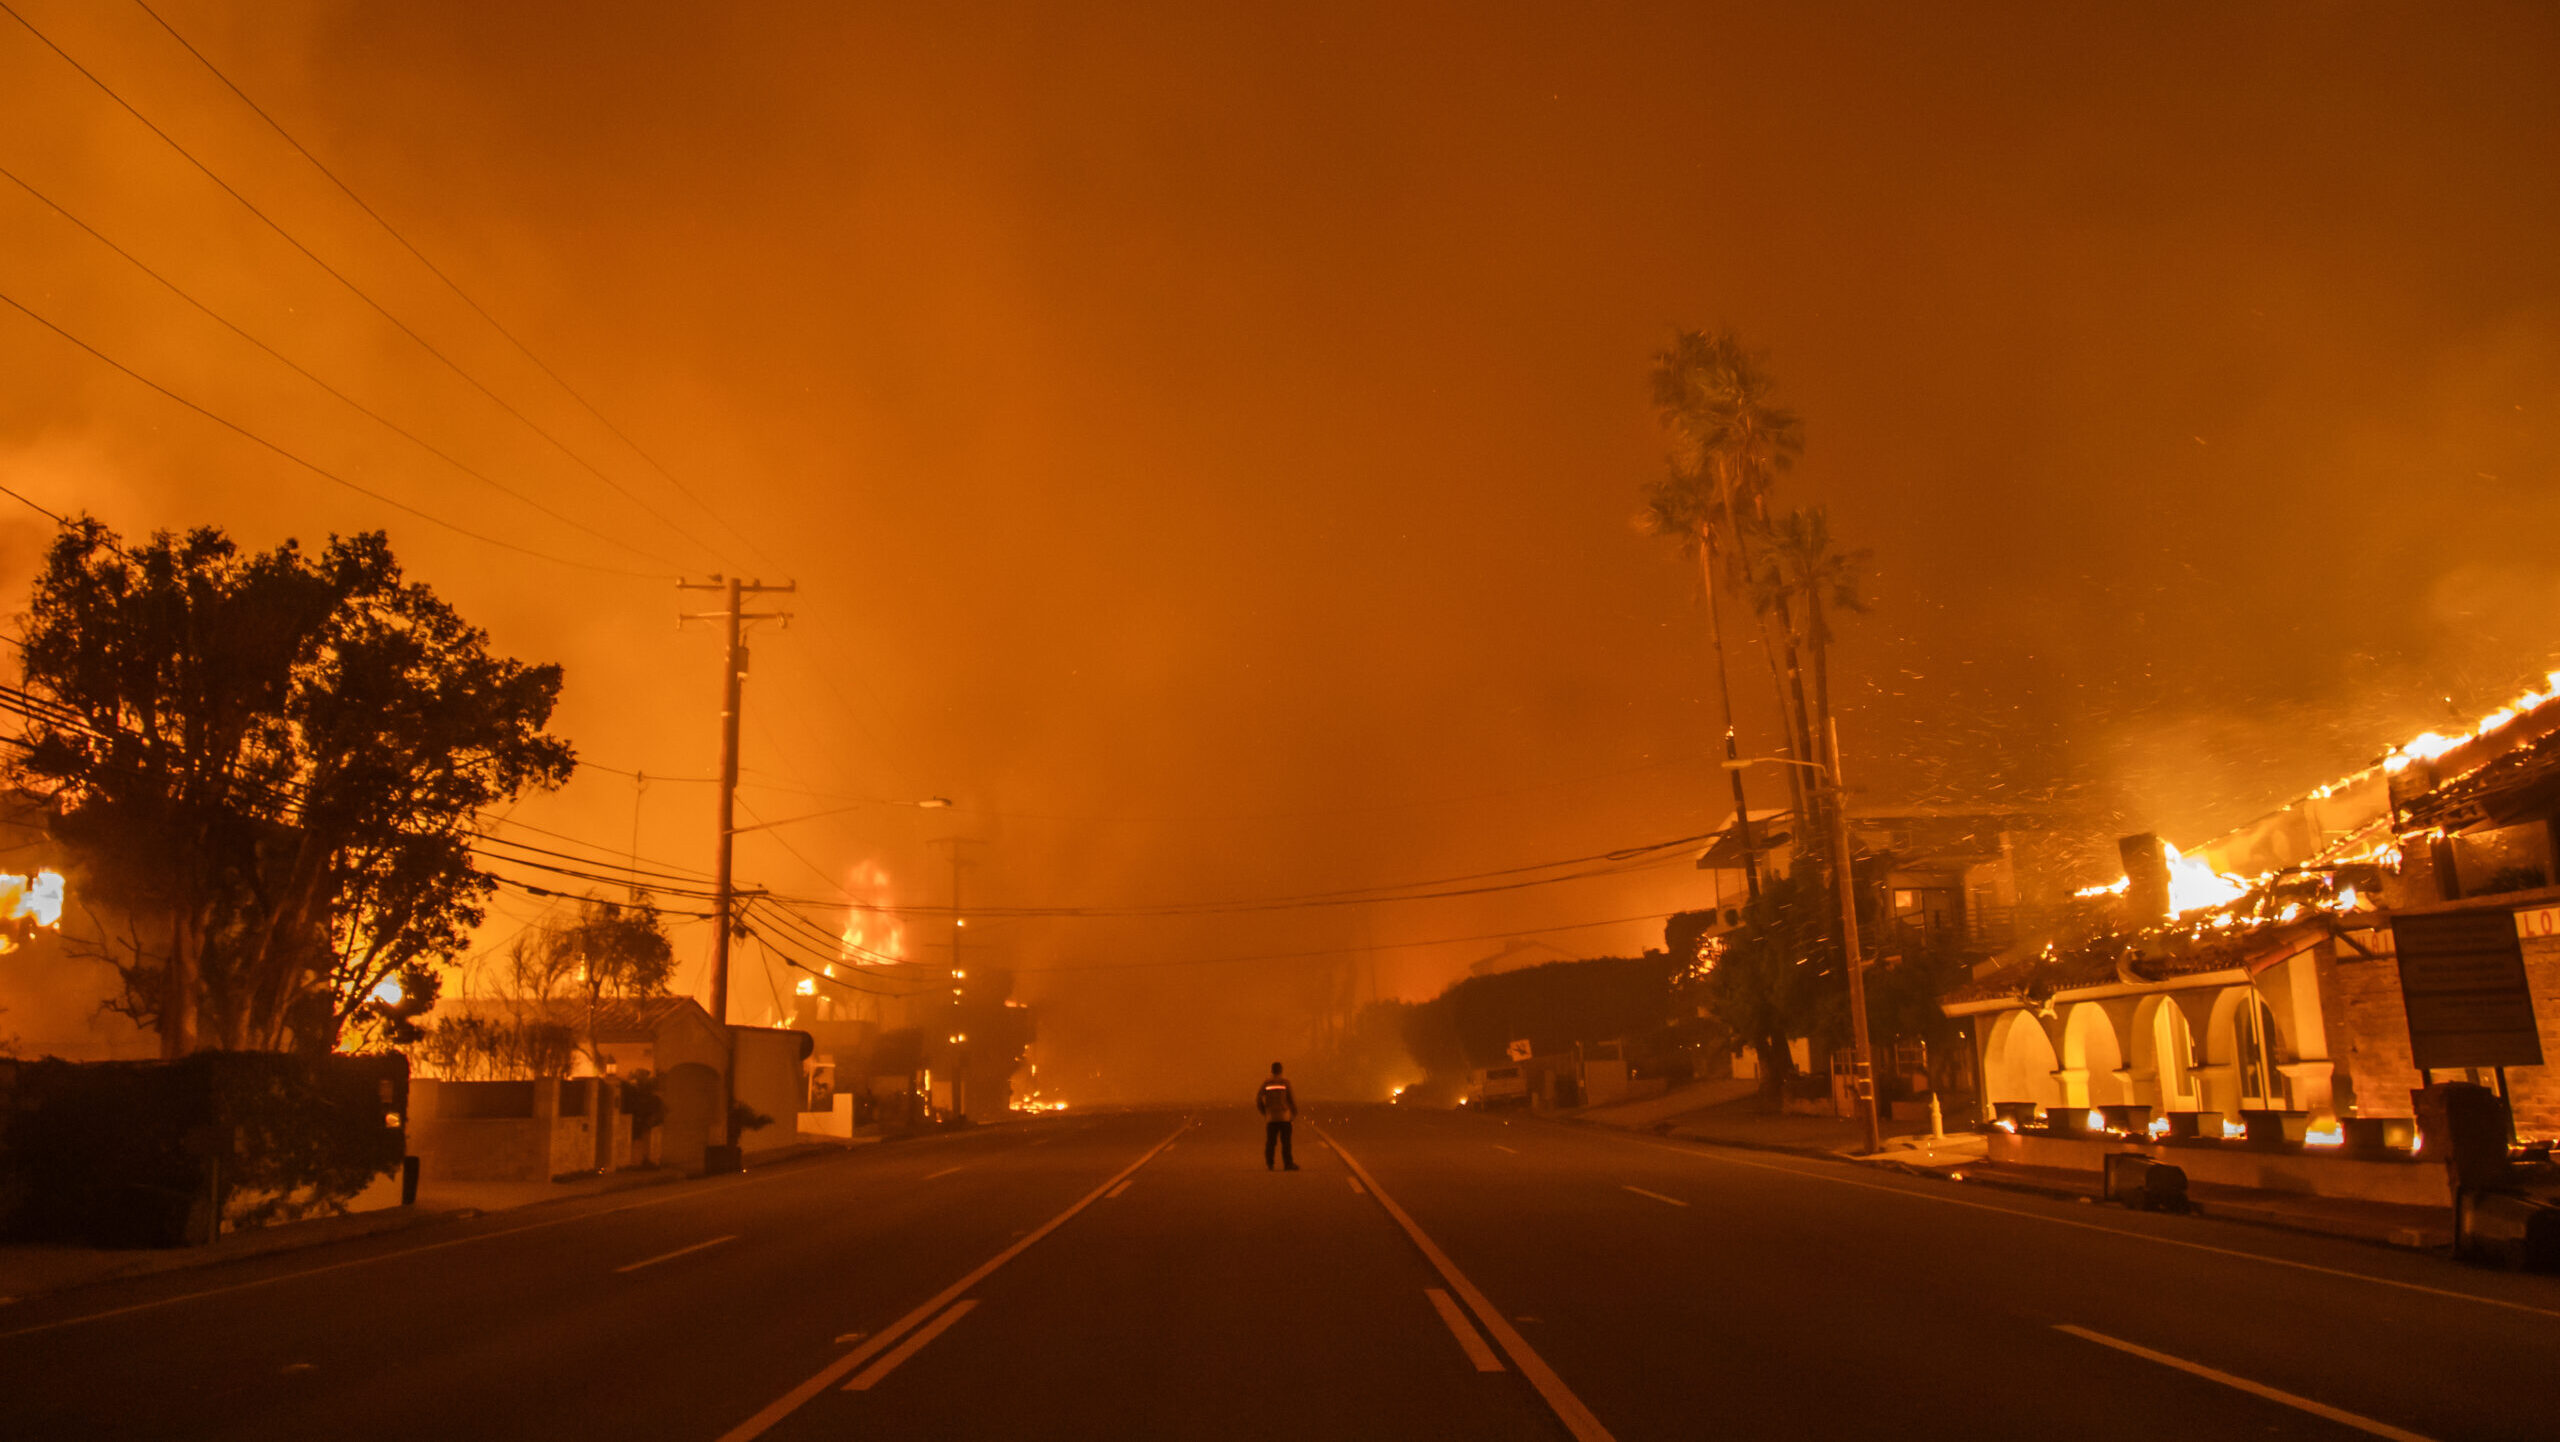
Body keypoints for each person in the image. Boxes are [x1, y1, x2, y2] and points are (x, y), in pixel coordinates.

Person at [1256, 1061, 1298, 1171]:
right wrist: (1294, 1112)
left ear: (1271, 1070)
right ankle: (1288, 1164)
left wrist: (1264, 1111)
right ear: (1281, 1070)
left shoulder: (1267, 1083)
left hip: (1271, 1117)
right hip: (1284, 1117)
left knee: (1271, 1142)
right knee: (1286, 1142)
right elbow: (1291, 1099)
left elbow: (1258, 1098)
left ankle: (1270, 1163)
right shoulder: (1285, 1082)